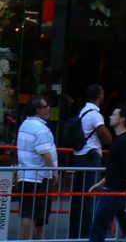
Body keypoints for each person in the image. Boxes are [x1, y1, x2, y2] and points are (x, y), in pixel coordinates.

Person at [87, 104, 126, 242]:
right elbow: (115, 169)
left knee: (98, 227)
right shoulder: (121, 140)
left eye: (114, 114)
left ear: (122, 119)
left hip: (114, 193)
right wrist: (100, 184)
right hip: (116, 191)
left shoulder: (125, 141)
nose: (110, 116)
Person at [71, 84, 113, 238]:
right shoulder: (95, 115)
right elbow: (107, 138)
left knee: (79, 196)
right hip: (90, 156)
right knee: (90, 194)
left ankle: (76, 232)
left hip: (79, 156)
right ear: (99, 96)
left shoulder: (82, 111)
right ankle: (88, 233)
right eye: (102, 93)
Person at [16, 97, 57, 240]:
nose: (49, 108)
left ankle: (32, 239)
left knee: (31, 212)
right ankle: (28, 239)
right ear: (38, 110)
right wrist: (55, 171)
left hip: (27, 175)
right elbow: (45, 153)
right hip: (38, 177)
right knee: (33, 213)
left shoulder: (25, 124)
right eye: (46, 106)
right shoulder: (40, 128)